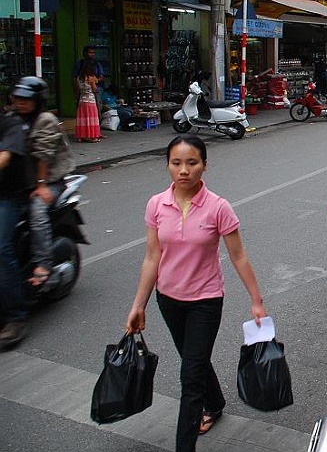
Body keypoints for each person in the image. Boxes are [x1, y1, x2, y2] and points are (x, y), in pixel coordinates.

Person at [125, 134, 267, 451]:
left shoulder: (219, 208)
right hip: (168, 299)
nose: (184, 170)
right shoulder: (156, 205)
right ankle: (214, 402)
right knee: (194, 360)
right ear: (168, 166)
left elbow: (239, 255)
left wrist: (256, 301)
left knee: (190, 377)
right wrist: (139, 305)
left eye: (192, 162)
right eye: (176, 163)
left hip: (205, 300)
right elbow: (152, 257)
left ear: (204, 165)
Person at [11, 77, 75, 290]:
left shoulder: (45, 119)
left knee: (37, 212)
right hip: (22, 184)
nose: (21, 103)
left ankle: (43, 264)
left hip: (50, 181)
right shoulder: (14, 119)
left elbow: (44, 155)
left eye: (26, 99)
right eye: (18, 98)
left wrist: (41, 185)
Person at [0, 109, 31, 349]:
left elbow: (4, 157)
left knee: (1, 248)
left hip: (9, 197)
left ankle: (17, 315)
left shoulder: (11, 125)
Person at [74, 60, 102, 143]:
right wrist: (94, 82)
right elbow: (94, 89)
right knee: (91, 120)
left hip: (82, 101)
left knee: (83, 120)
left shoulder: (79, 78)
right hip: (90, 101)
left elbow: (78, 89)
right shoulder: (91, 78)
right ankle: (92, 136)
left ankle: (81, 137)